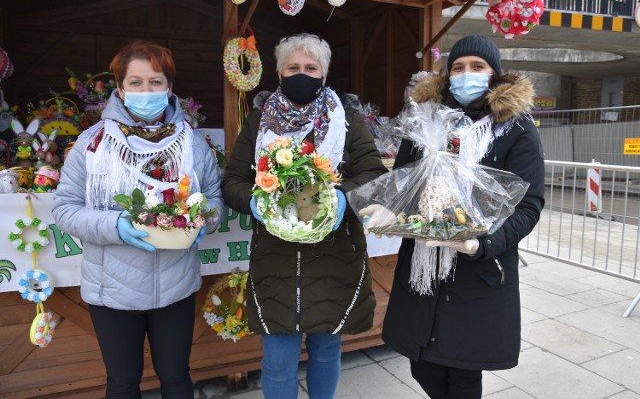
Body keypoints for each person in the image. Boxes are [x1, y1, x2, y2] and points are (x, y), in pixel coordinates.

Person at [52, 40, 224, 399]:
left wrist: (202, 223)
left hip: (175, 284)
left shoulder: (191, 144)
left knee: (176, 377)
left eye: (156, 82)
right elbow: (65, 208)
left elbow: (214, 199)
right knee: (122, 383)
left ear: (169, 88)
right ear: (120, 89)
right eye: (136, 82)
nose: (146, 90)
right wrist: (116, 226)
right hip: (112, 288)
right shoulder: (92, 144)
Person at [376, 35, 545, 398]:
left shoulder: (515, 130)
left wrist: (479, 244)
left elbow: (528, 206)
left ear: (494, 75)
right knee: (423, 366)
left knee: (463, 373)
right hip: (424, 268)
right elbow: (403, 182)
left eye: (478, 67)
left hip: (479, 274)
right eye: (459, 67)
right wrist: (390, 208)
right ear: (447, 75)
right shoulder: (426, 124)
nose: (467, 75)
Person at [221, 33, 388, 399]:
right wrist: (256, 203)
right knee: (278, 360)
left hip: (334, 258)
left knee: (326, 351)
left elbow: (374, 175)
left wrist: (342, 199)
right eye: (293, 67)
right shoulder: (259, 121)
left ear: (324, 75)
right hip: (275, 260)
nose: (302, 74)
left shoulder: (347, 120)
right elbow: (232, 181)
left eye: (311, 68)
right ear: (279, 74)